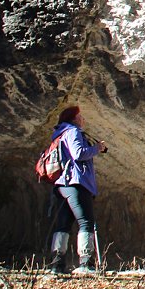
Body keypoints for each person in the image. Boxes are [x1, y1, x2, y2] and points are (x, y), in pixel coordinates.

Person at [47, 106, 107, 275]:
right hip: (76, 183)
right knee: (86, 221)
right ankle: (86, 263)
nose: (83, 120)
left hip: (61, 185)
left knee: (63, 224)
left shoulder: (59, 134)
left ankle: (56, 265)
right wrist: (97, 148)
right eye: (80, 117)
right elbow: (78, 153)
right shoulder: (73, 131)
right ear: (73, 119)